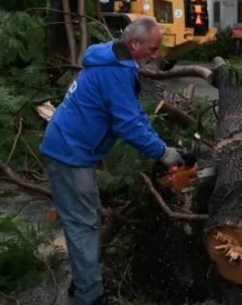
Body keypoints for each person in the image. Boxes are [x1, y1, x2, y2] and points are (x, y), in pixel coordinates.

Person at [39, 18, 184, 305]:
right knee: (82, 223)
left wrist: (160, 144)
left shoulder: (113, 58)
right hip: (69, 154)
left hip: (72, 150)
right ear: (135, 43)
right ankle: (89, 295)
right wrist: (161, 153)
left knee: (88, 218)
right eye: (153, 48)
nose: (156, 54)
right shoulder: (115, 71)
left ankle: (85, 279)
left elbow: (133, 113)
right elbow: (127, 124)